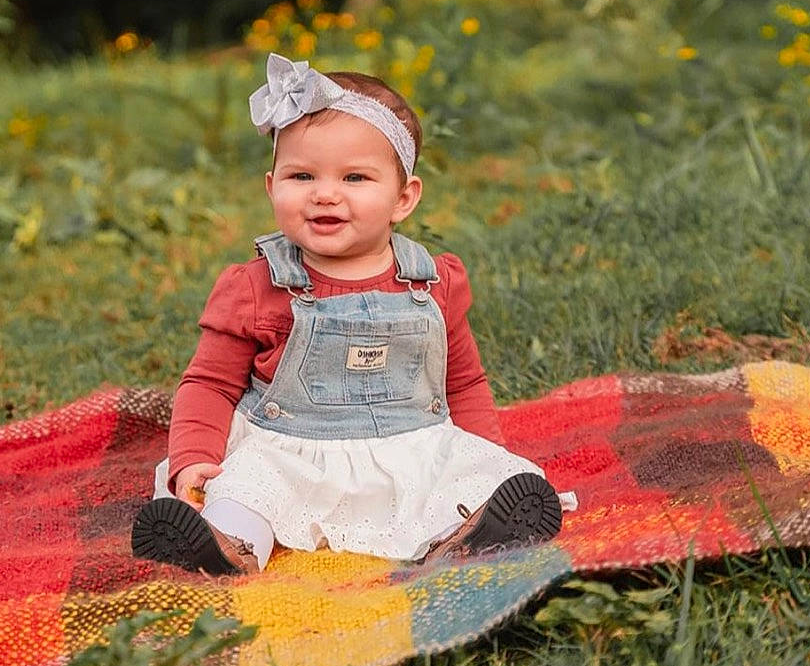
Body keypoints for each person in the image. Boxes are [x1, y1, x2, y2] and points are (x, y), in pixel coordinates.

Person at [130, 51, 575, 578]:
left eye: (355, 178)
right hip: (291, 451)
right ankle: (225, 547)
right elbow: (209, 384)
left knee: (473, 480)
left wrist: (482, 457)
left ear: (403, 198)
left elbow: (464, 381)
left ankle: (467, 534)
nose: (324, 194)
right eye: (302, 175)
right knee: (248, 488)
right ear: (272, 186)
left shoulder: (434, 283)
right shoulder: (255, 287)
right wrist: (192, 457)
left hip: (407, 448)